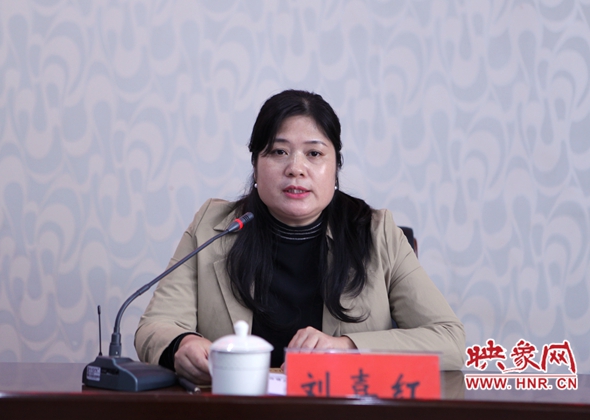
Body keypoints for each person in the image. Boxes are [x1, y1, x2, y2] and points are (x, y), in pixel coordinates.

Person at [135, 89, 465, 384]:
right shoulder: (212, 226)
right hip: (236, 413)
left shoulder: (378, 233)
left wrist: (346, 348)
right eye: (279, 152)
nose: (296, 168)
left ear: (335, 168)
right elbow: (156, 325)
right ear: (255, 165)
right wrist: (182, 345)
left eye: (314, 154)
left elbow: (449, 340)